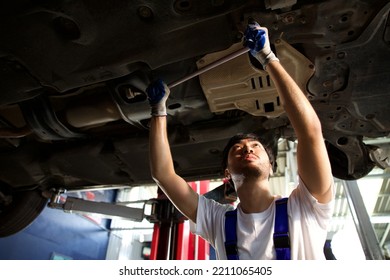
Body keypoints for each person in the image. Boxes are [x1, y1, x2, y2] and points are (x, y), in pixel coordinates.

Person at [146, 22, 335, 260]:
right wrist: (158, 111)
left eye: (256, 147)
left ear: (271, 166)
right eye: (237, 148)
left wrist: (268, 58)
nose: (247, 148)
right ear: (227, 171)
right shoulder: (218, 221)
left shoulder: (306, 208)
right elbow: (163, 175)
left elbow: (310, 133)